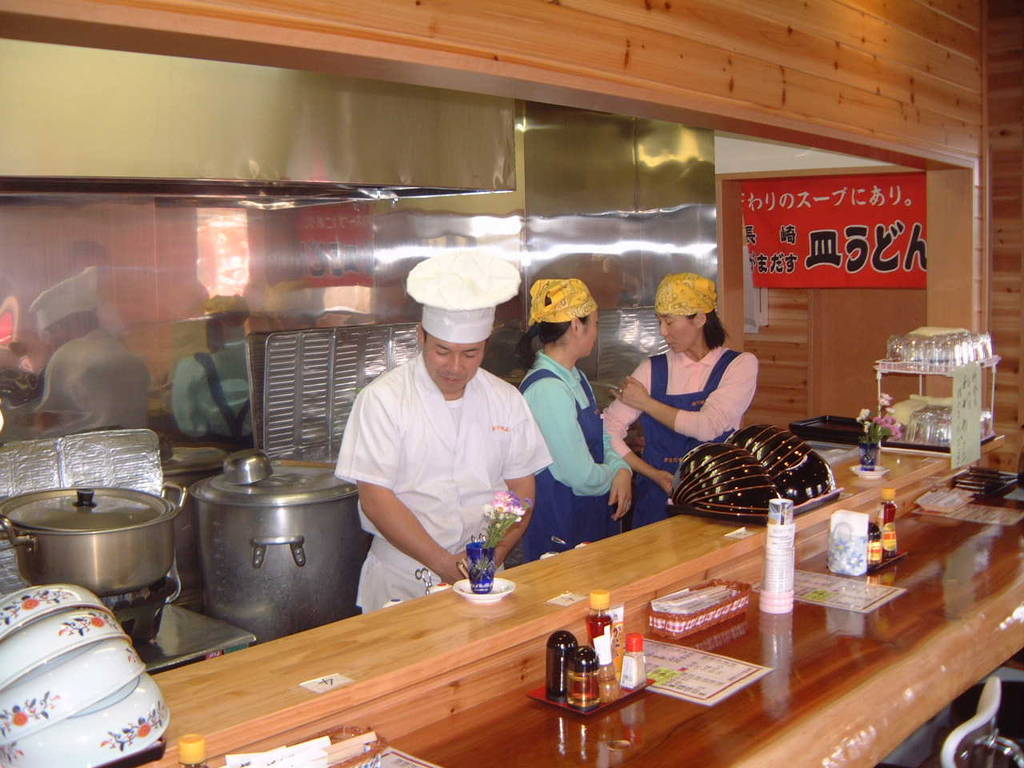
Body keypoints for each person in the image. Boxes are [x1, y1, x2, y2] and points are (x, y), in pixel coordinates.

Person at [335, 252, 551, 611]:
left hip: (484, 575)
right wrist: (442, 563)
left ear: (486, 346)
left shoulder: (505, 399)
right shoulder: (383, 399)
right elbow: (376, 499)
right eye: (442, 351)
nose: (455, 367)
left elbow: (522, 487)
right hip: (404, 576)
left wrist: (495, 554)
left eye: (470, 354)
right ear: (421, 336)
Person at [603, 273, 758, 527]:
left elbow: (708, 427)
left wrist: (646, 403)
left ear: (700, 318)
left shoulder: (739, 365)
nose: (663, 332)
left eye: (669, 321)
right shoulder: (651, 369)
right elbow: (608, 429)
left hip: (717, 499)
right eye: (659, 321)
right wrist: (649, 473)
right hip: (655, 501)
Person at [516, 278, 632, 560]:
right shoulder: (547, 389)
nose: (596, 332)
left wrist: (621, 467)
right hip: (560, 524)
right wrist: (616, 475)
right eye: (595, 323)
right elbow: (579, 476)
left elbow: (602, 436)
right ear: (576, 325)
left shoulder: (574, 376)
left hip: (587, 518)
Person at [29, 266, 151, 436]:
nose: (50, 341)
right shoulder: (123, 352)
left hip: (86, 448)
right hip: (135, 445)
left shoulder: (67, 355)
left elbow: (46, 420)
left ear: (71, 323)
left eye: (52, 332)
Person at [170, 295, 252, 442]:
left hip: (211, 447)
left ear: (211, 326)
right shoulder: (259, 358)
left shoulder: (191, 366)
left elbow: (188, 424)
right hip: (254, 446)